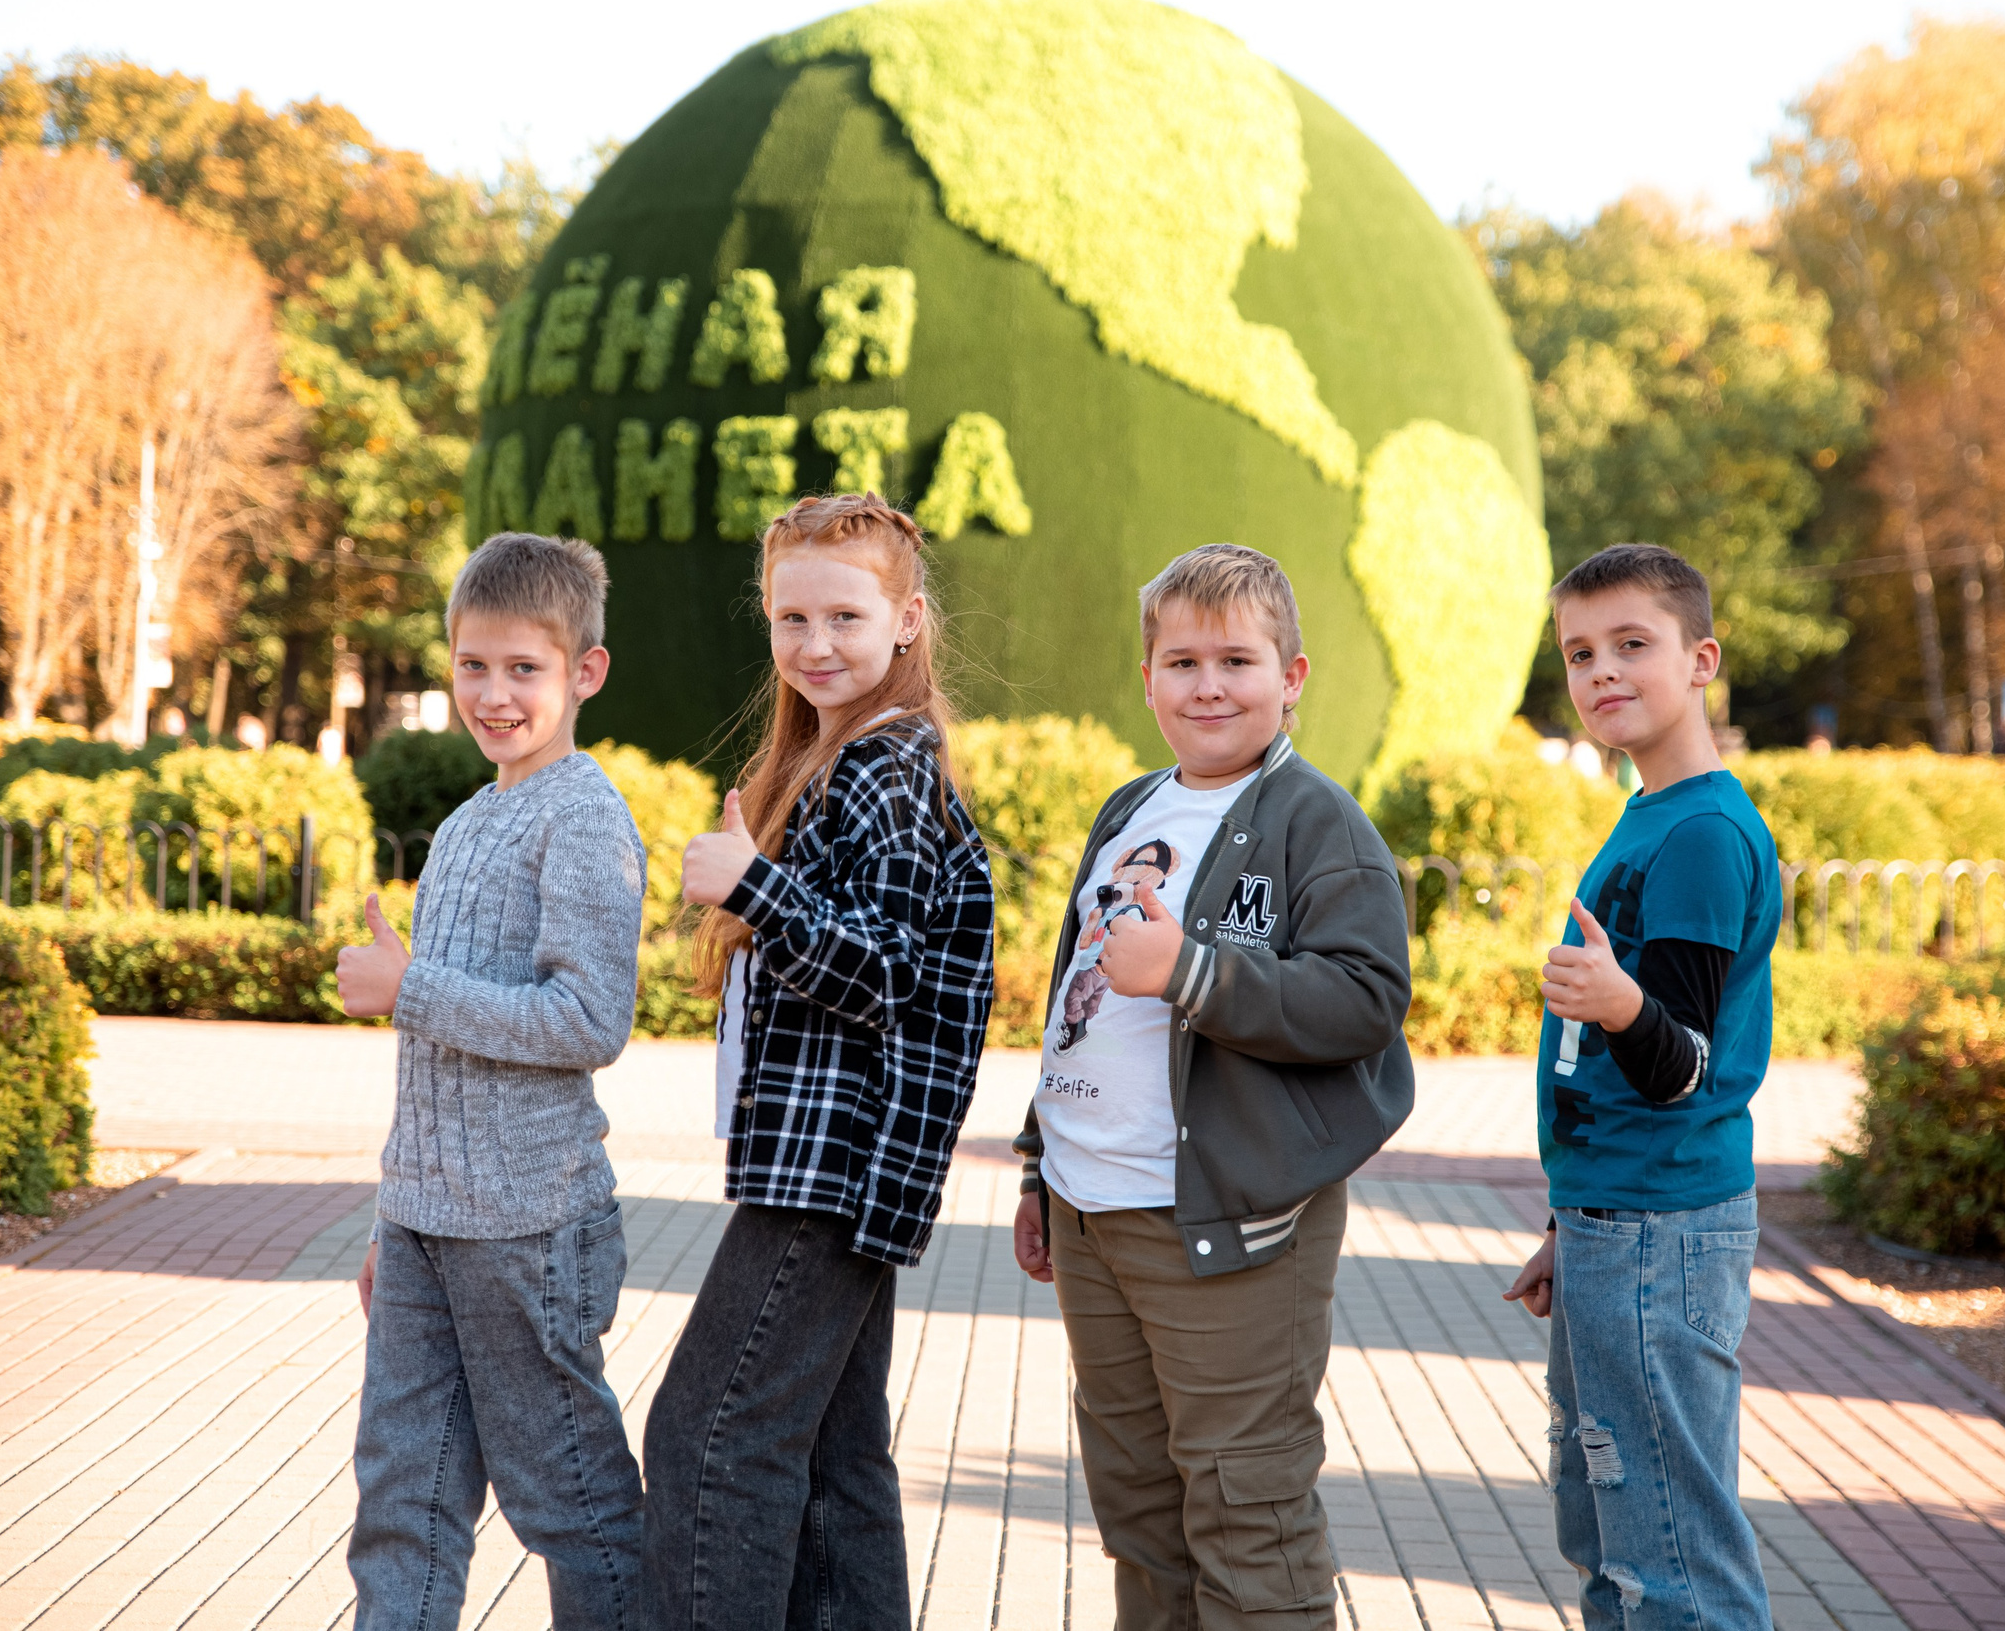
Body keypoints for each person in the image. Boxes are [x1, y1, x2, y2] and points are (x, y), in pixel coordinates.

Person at [1010, 543, 1415, 1631]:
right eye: (1180, 660)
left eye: (1236, 658)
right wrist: (1035, 1164)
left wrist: (1192, 970)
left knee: (1247, 1514)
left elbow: (1365, 999)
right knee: (1138, 1510)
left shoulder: (1318, 823)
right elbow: (1077, 998)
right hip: (1093, 1217)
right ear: (1145, 679)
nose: (1207, 683)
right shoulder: (1128, 808)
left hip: (1225, 1229)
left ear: (1292, 676)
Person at [647, 493, 995, 1631]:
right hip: (839, 1167)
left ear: (906, 620)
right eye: (789, 618)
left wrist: (751, 885)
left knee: (710, 1433)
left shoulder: (884, 769)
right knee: (837, 1460)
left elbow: (883, 971)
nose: (813, 643)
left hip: (831, 1168)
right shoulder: (847, 758)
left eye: (844, 614)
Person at [336, 531, 647, 1631]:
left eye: (525, 668)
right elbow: (437, 1073)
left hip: (528, 1225)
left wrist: (408, 986)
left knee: (568, 1496)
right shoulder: (468, 822)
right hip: (426, 1222)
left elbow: (588, 1018)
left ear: (584, 673)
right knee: (402, 1498)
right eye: (475, 665)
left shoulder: (586, 816)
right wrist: (397, 1212)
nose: (496, 693)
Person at [1501, 543, 1780, 1630]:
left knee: (1673, 1556)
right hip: (1614, 1227)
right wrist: (1570, 1226)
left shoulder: (1703, 831)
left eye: (1631, 644)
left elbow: (1682, 1068)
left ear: (1700, 658)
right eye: (1579, 652)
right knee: (1611, 1536)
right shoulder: (1652, 812)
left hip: (1662, 1236)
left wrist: (1617, 1003)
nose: (1601, 671)